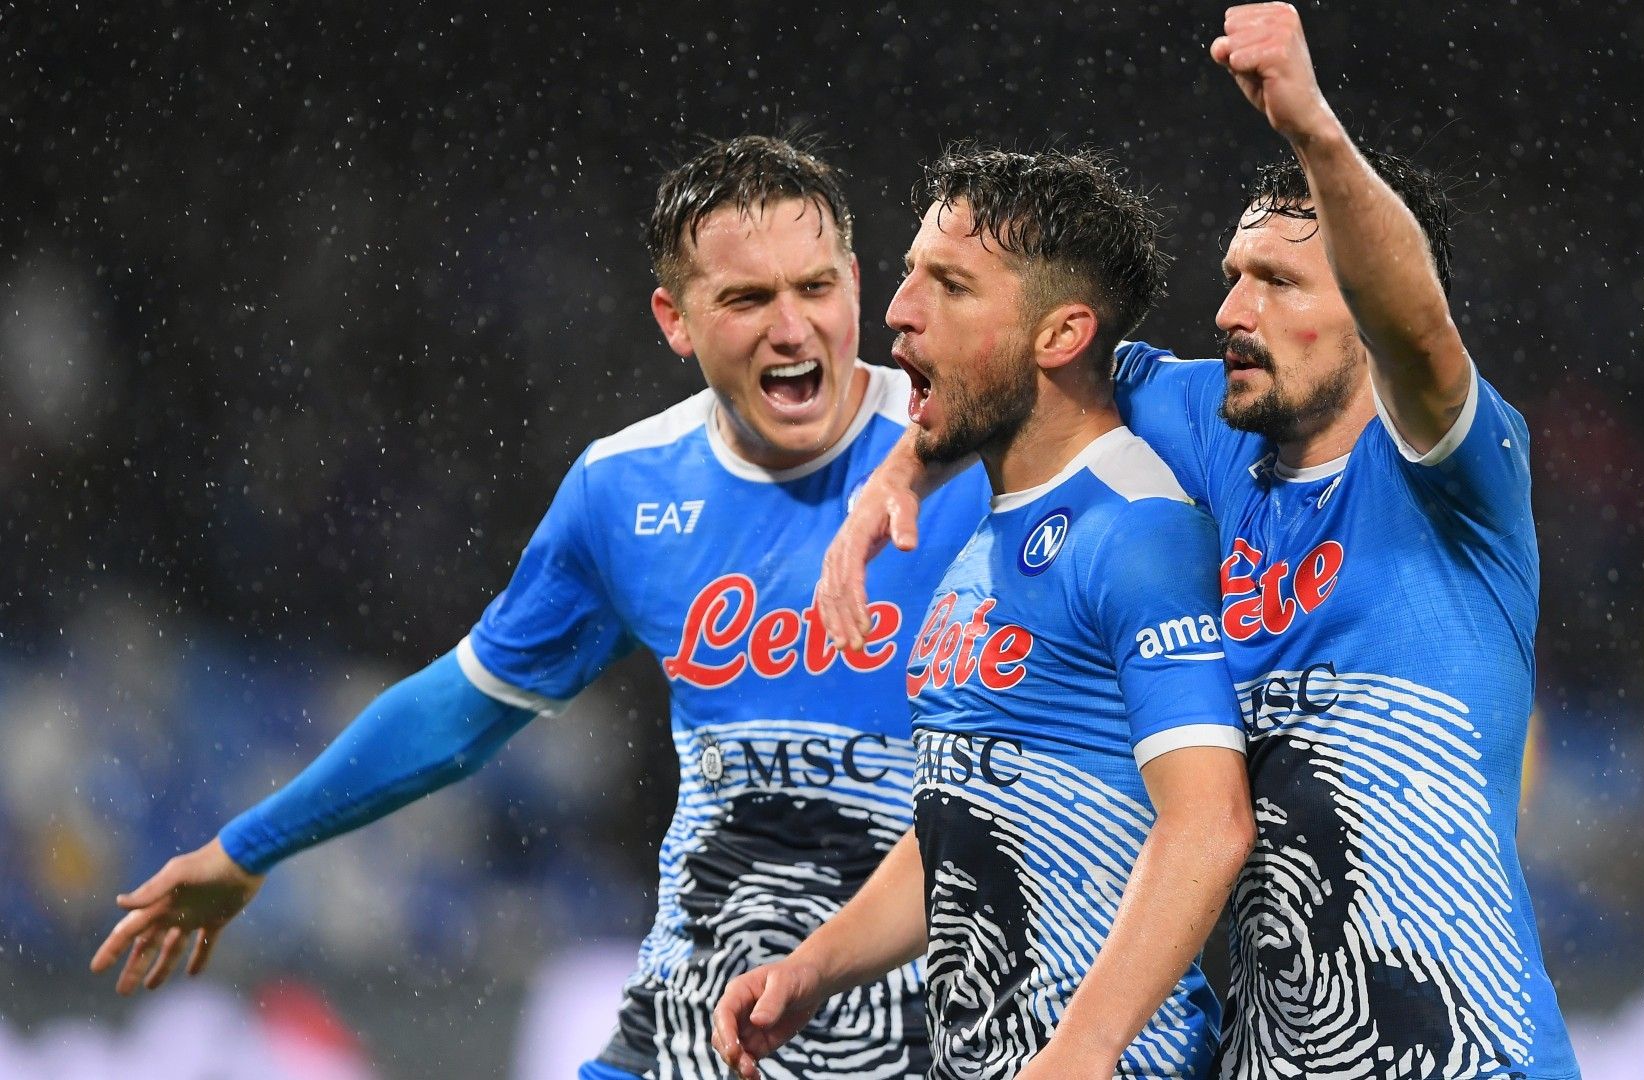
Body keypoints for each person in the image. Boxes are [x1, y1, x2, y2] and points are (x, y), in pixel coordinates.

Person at [90, 134, 993, 1080]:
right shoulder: (625, 492)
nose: (793, 328)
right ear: (675, 319)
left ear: (858, 283)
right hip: (697, 1025)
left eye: (815, 287)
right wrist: (248, 848)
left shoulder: (990, 450)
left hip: (940, 1022)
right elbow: (464, 710)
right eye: (746, 299)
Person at [816, 6, 1583, 1078]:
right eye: (1234, 275)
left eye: (1279, 281)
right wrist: (900, 472)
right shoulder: (1219, 441)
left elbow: (1417, 327)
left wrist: (1312, 125)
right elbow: (1018, 369)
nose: (1231, 309)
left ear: (1365, 311)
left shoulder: (1459, 477)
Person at [710, 148, 1255, 1080]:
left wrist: (1085, 1047)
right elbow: (966, 820)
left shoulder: (1138, 534)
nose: (898, 309)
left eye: (951, 286)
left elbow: (1210, 823)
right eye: (911, 272)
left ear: (1061, 335)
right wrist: (816, 967)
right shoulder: (984, 538)